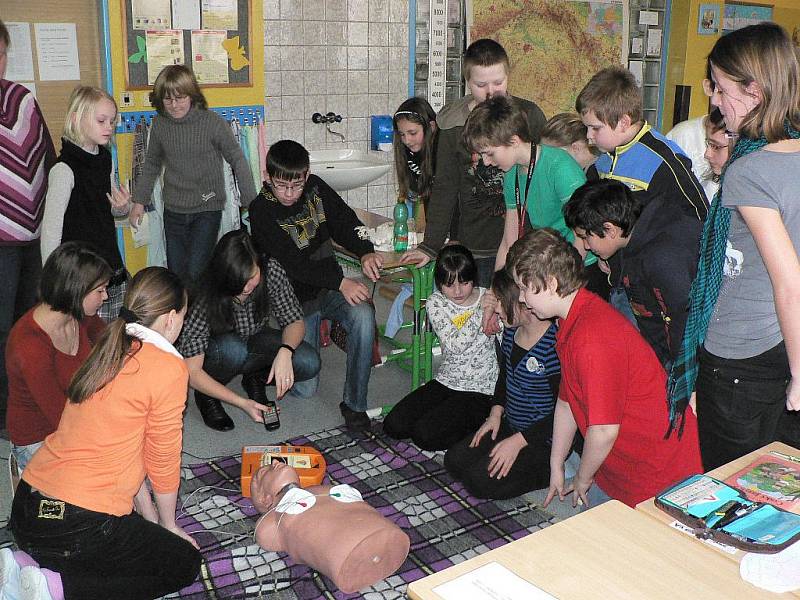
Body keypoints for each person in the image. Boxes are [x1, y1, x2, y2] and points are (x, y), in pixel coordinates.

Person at [8, 267, 202, 600]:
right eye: (183, 317)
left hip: (28, 510)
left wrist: (151, 522)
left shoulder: (109, 347)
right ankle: (58, 590)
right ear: (170, 319)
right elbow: (162, 459)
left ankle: (24, 564)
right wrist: (168, 526)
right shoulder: (168, 367)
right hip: (76, 525)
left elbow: (133, 453)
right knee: (185, 563)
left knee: (125, 546)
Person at [669, 23, 800, 470]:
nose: (715, 101)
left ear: (755, 91)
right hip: (783, 344)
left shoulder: (748, 169)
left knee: (732, 484)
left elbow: (789, 282)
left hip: (741, 355)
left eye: (722, 89)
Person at [507, 228, 702, 508]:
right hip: (621, 467)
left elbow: (603, 431)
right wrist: (556, 464)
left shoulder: (592, 336)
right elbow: (566, 401)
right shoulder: (571, 319)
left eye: (525, 288)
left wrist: (584, 478)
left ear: (549, 283)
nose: (522, 299)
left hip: (658, 474)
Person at [249, 139, 382, 431]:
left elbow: (345, 220)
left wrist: (365, 250)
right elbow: (294, 263)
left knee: (363, 314)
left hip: (329, 290)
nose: (289, 193)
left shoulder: (316, 188)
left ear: (307, 176)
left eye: (296, 185)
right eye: (281, 185)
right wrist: (341, 282)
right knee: (305, 388)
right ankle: (265, 359)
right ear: (267, 177)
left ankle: (354, 404)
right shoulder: (260, 211)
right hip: (296, 304)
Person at [401, 39, 547, 287]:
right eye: (481, 85)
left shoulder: (529, 115)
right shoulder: (452, 123)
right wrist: (430, 245)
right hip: (476, 244)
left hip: (526, 240)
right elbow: (445, 187)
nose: (491, 92)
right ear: (467, 82)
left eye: (498, 83)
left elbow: (545, 176)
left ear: (508, 76)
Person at [576, 66, 708, 327]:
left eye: (595, 128)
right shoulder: (602, 162)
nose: (589, 136)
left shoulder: (664, 160)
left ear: (624, 121)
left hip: (652, 289)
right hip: (617, 281)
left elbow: (698, 215)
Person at [177, 229, 320, 432]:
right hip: (217, 348)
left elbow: (295, 320)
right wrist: (241, 402)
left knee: (309, 361)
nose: (246, 288)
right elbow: (192, 371)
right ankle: (207, 394)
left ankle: (255, 377)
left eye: (251, 278)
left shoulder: (271, 270)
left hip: (256, 337)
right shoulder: (205, 292)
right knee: (233, 349)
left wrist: (285, 351)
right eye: (238, 283)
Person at [130, 65, 257, 286]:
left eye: (180, 98)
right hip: (174, 210)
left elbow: (237, 159)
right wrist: (138, 202)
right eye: (168, 99)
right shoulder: (160, 125)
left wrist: (250, 202)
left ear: (192, 95)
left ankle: (199, 316)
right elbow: (151, 164)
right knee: (177, 272)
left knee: (197, 270)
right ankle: (181, 318)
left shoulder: (212, 123)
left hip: (207, 208)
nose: (174, 105)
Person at [564, 178, 702, 371]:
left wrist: (679, 379)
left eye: (586, 237)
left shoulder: (663, 259)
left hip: (684, 361)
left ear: (609, 229)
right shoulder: (632, 232)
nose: (586, 246)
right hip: (660, 351)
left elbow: (684, 325)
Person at [445, 269, 559, 499]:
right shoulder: (511, 332)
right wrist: (495, 415)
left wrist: (519, 442)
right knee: (455, 461)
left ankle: (551, 470)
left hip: (542, 439)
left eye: (499, 301)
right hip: (511, 424)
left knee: (478, 483)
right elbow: (504, 378)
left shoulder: (553, 347)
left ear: (522, 302)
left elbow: (565, 412)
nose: (495, 308)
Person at [6, 242, 110, 472]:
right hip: (39, 438)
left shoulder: (78, 314)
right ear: (76, 290)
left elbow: (111, 340)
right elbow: (61, 418)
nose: (106, 296)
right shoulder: (29, 346)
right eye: (100, 290)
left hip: (74, 415)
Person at [384, 245, 498, 450]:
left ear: (474, 278)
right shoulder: (436, 302)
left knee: (424, 436)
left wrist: (494, 309)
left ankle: (478, 423)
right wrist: (483, 313)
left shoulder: (489, 298)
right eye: (449, 284)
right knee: (394, 425)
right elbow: (456, 345)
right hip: (446, 380)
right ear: (439, 284)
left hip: (481, 389)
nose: (457, 291)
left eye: (464, 283)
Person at [0, 19, 56, 430]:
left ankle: (26, 403)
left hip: (32, 236)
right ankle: (4, 414)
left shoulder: (22, 100)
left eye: (1, 54)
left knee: (29, 325)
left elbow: (46, 158)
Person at [461, 95, 587, 272]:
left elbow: (584, 233)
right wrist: (496, 287)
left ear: (513, 141)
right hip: (553, 264)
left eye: (489, 154)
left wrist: (565, 277)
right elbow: (508, 241)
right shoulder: (512, 174)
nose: (486, 162)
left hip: (581, 265)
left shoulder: (559, 167)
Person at [250, 459, 410, 593]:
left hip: (383, 533)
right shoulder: (272, 522)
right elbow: (265, 535)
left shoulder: (322, 487)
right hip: (345, 553)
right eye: (264, 472)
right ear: (265, 499)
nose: (276, 462)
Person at [41, 86, 130, 321]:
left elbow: (109, 208)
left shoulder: (106, 159)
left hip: (109, 264)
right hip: (79, 276)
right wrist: (52, 282)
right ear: (76, 118)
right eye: (102, 120)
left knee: (112, 334)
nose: (109, 127)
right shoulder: (63, 169)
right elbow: (51, 231)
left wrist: (121, 209)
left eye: (112, 121)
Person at [393, 96, 438, 225]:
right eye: (402, 134)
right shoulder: (409, 152)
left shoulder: (443, 151)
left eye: (413, 133)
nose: (406, 140)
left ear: (431, 126)